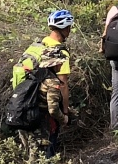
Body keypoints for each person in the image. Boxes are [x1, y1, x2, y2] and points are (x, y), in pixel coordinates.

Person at [11, 11, 74, 155]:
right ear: (64, 29)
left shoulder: (36, 45)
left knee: (32, 150)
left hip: (25, 104)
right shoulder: (59, 52)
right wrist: (65, 112)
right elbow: (63, 84)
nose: (69, 31)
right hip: (44, 108)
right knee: (46, 148)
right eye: (69, 27)